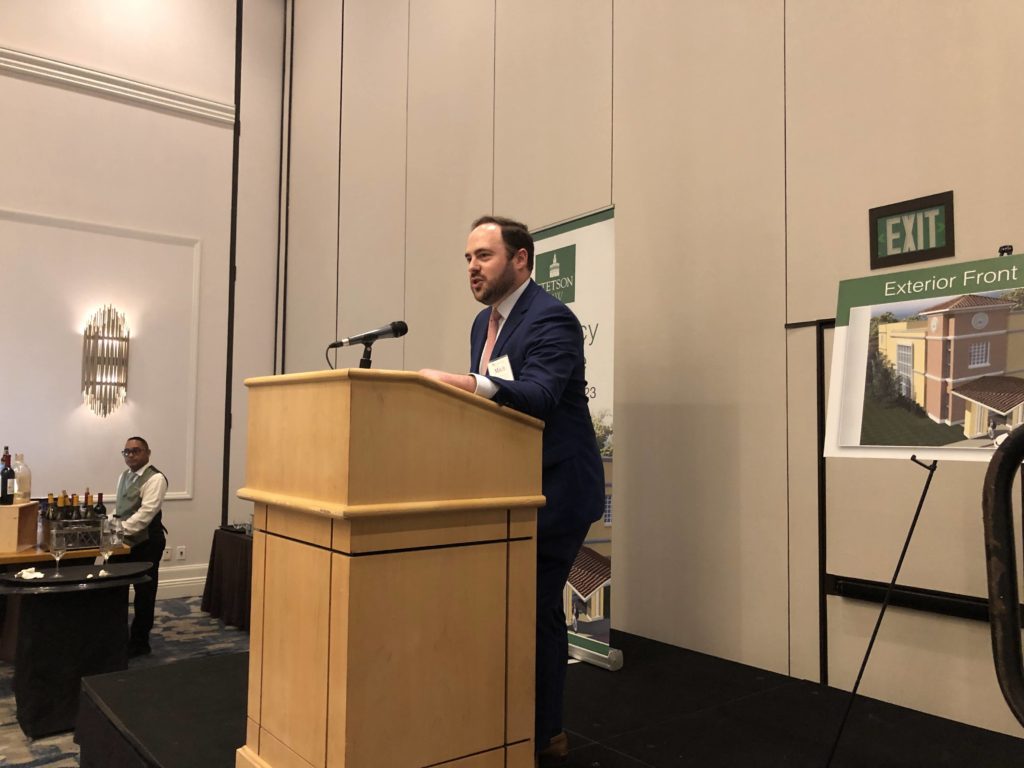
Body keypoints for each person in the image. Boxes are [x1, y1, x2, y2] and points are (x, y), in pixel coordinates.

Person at [420, 215, 605, 766]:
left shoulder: (552, 319)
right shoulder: (485, 324)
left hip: (555, 491)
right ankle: (517, 720)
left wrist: (461, 381)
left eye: (484, 256)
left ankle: (544, 733)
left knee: (532, 608)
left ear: (520, 259)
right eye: (469, 259)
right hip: (507, 487)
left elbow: (540, 396)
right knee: (519, 609)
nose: (473, 268)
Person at [109, 436, 168, 657]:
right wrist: (109, 526)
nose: (131, 455)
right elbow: (121, 509)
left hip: (148, 543)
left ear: (147, 453)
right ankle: (115, 637)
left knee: (145, 593)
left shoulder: (156, 479)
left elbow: (145, 515)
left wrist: (118, 530)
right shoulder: (123, 476)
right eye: (127, 451)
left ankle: (140, 642)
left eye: (136, 451)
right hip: (124, 543)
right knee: (114, 589)